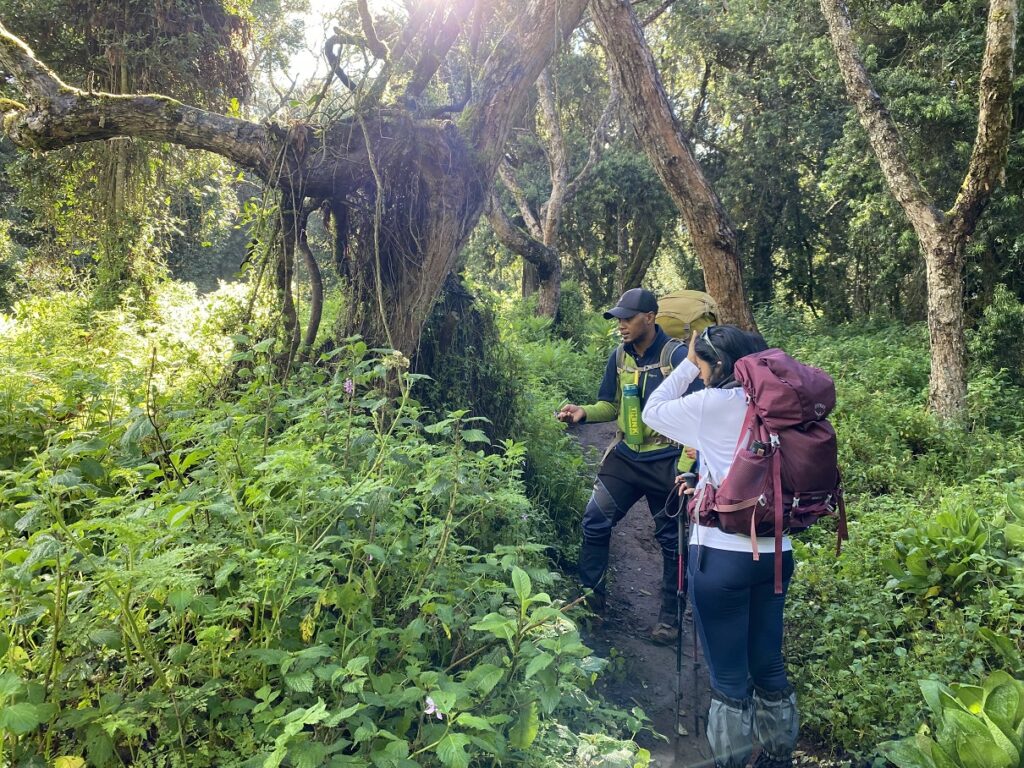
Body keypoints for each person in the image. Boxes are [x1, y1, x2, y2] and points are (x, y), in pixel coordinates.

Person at [642, 325, 798, 768]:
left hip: (722, 556)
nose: (703, 371)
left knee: (729, 676)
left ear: (720, 365)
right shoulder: (782, 406)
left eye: (706, 364)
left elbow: (653, 411)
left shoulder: (712, 403)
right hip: (777, 553)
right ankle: (778, 758)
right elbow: (750, 466)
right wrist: (700, 480)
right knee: (768, 664)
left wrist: (687, 363)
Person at [556, 288, 700, 644]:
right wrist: (584, 413)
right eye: (618, 319)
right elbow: (609, 405)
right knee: (594, 522)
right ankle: (591, 602)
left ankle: (670, 619)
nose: (621, 325)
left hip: (667, 461)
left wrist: (687, 467)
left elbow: (700, 414)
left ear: (649, 317)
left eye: (627, 318)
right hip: (625, 457)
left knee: (672, 541)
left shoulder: (679, 356)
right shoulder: (618, 357)